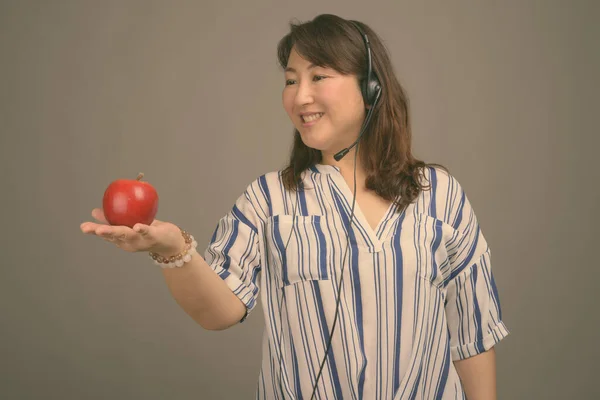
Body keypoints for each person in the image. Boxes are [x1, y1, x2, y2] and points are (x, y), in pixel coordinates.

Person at [80, 14, 509, 400]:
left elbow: (471, 335)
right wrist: (172, 248)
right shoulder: (267, 200)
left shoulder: (440, 195)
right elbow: (219, 311)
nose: (299, 96)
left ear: (371, 88)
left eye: (318, 76)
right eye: (290, 80)